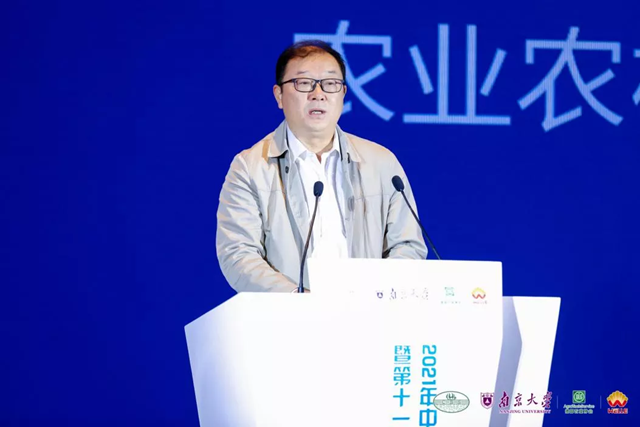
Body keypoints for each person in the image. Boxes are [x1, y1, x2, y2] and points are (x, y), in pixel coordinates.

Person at [216, 40, 427, 293]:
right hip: (289, 313)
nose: (318, 94)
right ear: (279, 95)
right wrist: (297, 300)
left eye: (330, 83)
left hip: (368, 312)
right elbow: (238, 255)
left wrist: (375, 297)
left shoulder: (381, 163)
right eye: (304, 83)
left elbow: (407, 246)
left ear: (343, 94)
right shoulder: (250, 168)